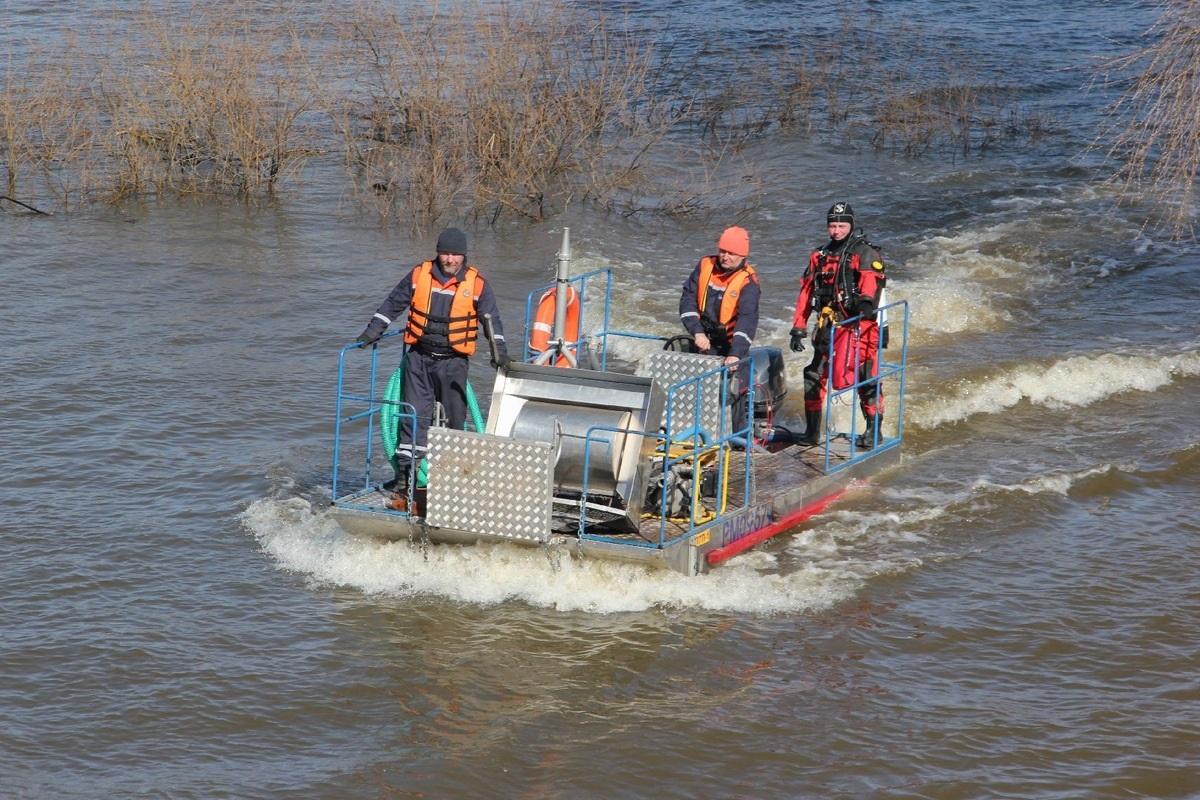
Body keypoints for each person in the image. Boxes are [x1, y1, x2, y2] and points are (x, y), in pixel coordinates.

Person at [355, 227, 508, 510]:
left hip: (453, 363)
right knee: (413, 419)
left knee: (455, 422)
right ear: (438, 253)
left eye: (455, 254)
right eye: (445, 253)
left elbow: (491, 322)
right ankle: (406, 482)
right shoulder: (419, 275)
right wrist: (371, 333)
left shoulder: (477, 284)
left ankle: (454, 482)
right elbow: (392, 304)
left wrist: (501, 355)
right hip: (419, 360)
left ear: (463, 255)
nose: (449, 259)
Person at [790, 202, 886, 448]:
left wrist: (865, 304)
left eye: (841, 225)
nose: (836, 231)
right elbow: (806, 292)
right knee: (813, 374)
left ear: (851, 226)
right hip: (828, 325)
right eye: (832, 225)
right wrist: (798, 327)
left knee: (866, 376)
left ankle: (874, 432)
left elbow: (869, 282)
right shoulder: (819, 256)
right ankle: (812, 432)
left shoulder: (863, 253)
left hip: (859, 327)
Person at [678, 225, 761, 436]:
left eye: (731, 253)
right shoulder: (705, 265)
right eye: (723, 251)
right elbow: (687, 299)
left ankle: (738, 440)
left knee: (734, 394)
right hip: (703, 340)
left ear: (742, 255)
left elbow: (747, 321)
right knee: (696, 392)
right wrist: (697, 331)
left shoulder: (748, 282)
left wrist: (735, 354)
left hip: (731, 346)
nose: (725, 256)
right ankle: (696, 434)